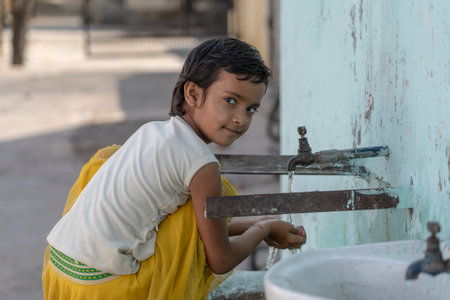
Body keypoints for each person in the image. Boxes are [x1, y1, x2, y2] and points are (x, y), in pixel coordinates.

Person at [42, 37, 307, 299]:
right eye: (230, 100)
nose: (241, 118)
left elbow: (196, 226)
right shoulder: (202, 165)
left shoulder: (151, 132)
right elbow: (222, 260)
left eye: (251, 109)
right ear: (193, 93)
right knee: (203, 202)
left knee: (178, 204)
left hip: (59, 268)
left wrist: (259, 221)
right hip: (105, 286)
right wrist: (264, 230)